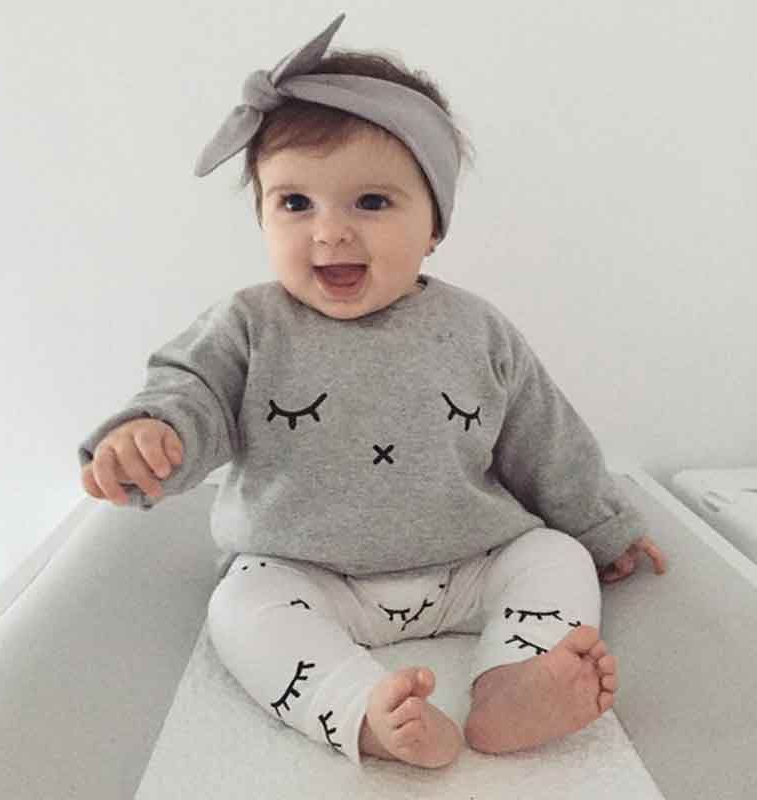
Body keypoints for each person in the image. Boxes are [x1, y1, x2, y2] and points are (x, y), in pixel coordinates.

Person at [78, 13, 668, 770]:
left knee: (554, 556)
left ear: (433, 226)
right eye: (295, 203)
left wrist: (603, 527)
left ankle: (512, 681)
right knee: (241, 606)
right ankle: (362, 709)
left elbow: (545, 437)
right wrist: (153, 434)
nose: (329, 232)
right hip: (305, 572)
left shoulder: (476, 330)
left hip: (469, 563)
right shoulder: (250, 326)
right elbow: (192, 393)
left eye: (371, 203)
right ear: (262, 215)